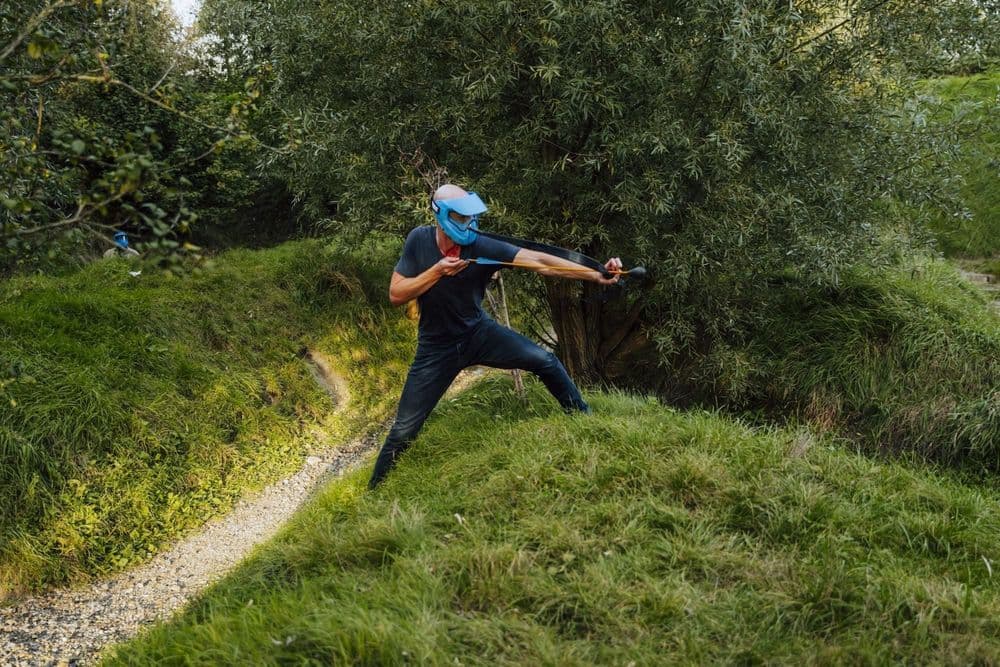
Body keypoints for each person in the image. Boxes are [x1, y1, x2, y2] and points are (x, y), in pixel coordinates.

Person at [368, 183, 622, 489]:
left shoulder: (483, 245)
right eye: (462, 218)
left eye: (472, 217)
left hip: (478, 332)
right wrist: (436, 271)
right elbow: (396, 294)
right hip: (436, 349)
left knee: (545, 360)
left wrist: (596, 273)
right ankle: (375, 491)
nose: (470, 224)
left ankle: (585, 421)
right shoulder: (418, 240)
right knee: (403, 430)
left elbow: (541, 261)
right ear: (442, 215)